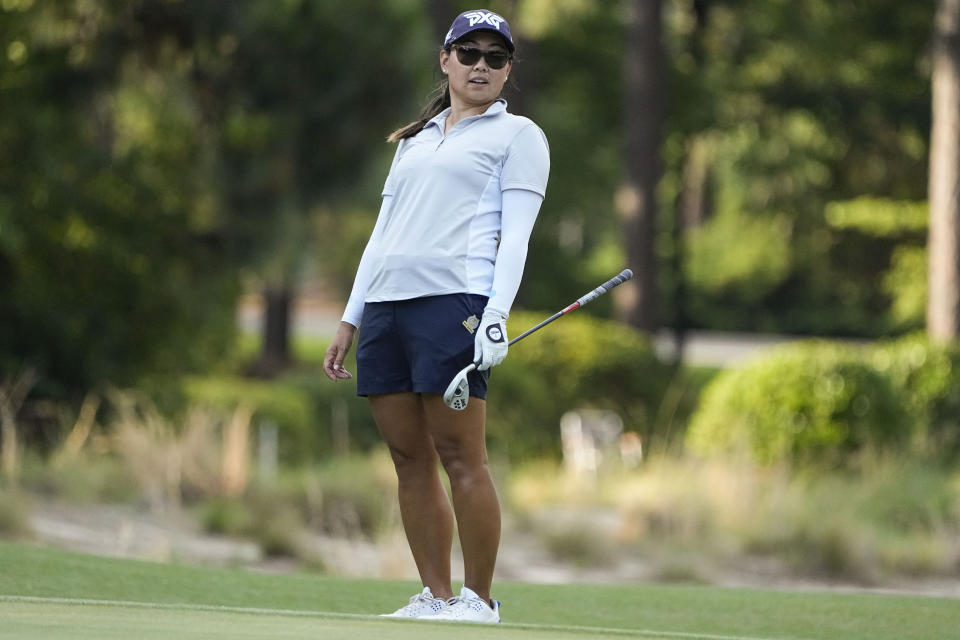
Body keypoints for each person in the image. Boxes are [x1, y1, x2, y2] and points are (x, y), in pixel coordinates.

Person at [323, 8, 549, 624]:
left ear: (507, 70)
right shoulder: (416, 139)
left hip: (456, 305)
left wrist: (496, 314)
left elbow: (517, 238)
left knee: (460, 458)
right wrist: (351, 317)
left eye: (495, 58)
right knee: (408, 459)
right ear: (445, 60)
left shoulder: (518, 136)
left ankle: (479, 600)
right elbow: (381, 233)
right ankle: (437, 596)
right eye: (468, 54)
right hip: (388, 309)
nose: (480, 66)